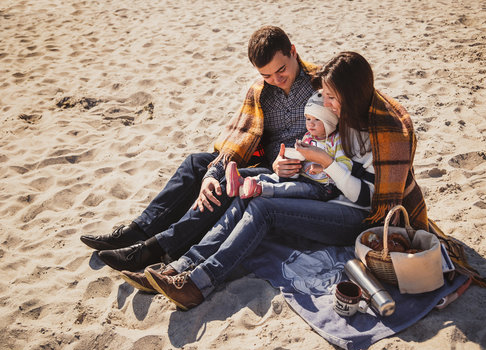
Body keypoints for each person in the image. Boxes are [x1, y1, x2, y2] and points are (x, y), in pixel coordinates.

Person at [121, 51, 432, 310]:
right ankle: (181, 265)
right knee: (244, 189)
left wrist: (324, 162)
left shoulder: (380, 132)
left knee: (263, 208)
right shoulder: (340, 118)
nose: (327, 104)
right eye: (326, 95)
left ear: (351, 95)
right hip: (319, 192)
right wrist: (292, 163)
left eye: (333, 98)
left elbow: (365, 200)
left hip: (353, 217)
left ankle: (198, 284)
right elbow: (316, 157)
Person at [80, 25, 317, 272]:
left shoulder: (320, 84)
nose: (276, 80)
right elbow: (240, 136)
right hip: (262, 161)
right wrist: (209, 176)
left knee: (228, 181)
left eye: (281, 70)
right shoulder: (260, 91)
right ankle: (137, 231)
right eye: (266, 75)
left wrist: (294, 162)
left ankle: (154, 248)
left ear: (292, 51)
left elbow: (339, 143)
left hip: (295, 171)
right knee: (196, 163)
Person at [225, 90, 361, 202]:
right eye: (308, 119)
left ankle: (259, 188)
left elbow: (346, 165)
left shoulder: (336, 141)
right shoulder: (308, 137)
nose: (310, 124)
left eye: (317, 119)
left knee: (292, 188)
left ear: (329, 122)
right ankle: (243, 182)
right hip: (303, 177)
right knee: (275, 177)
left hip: (323, 188)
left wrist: (322, 167)